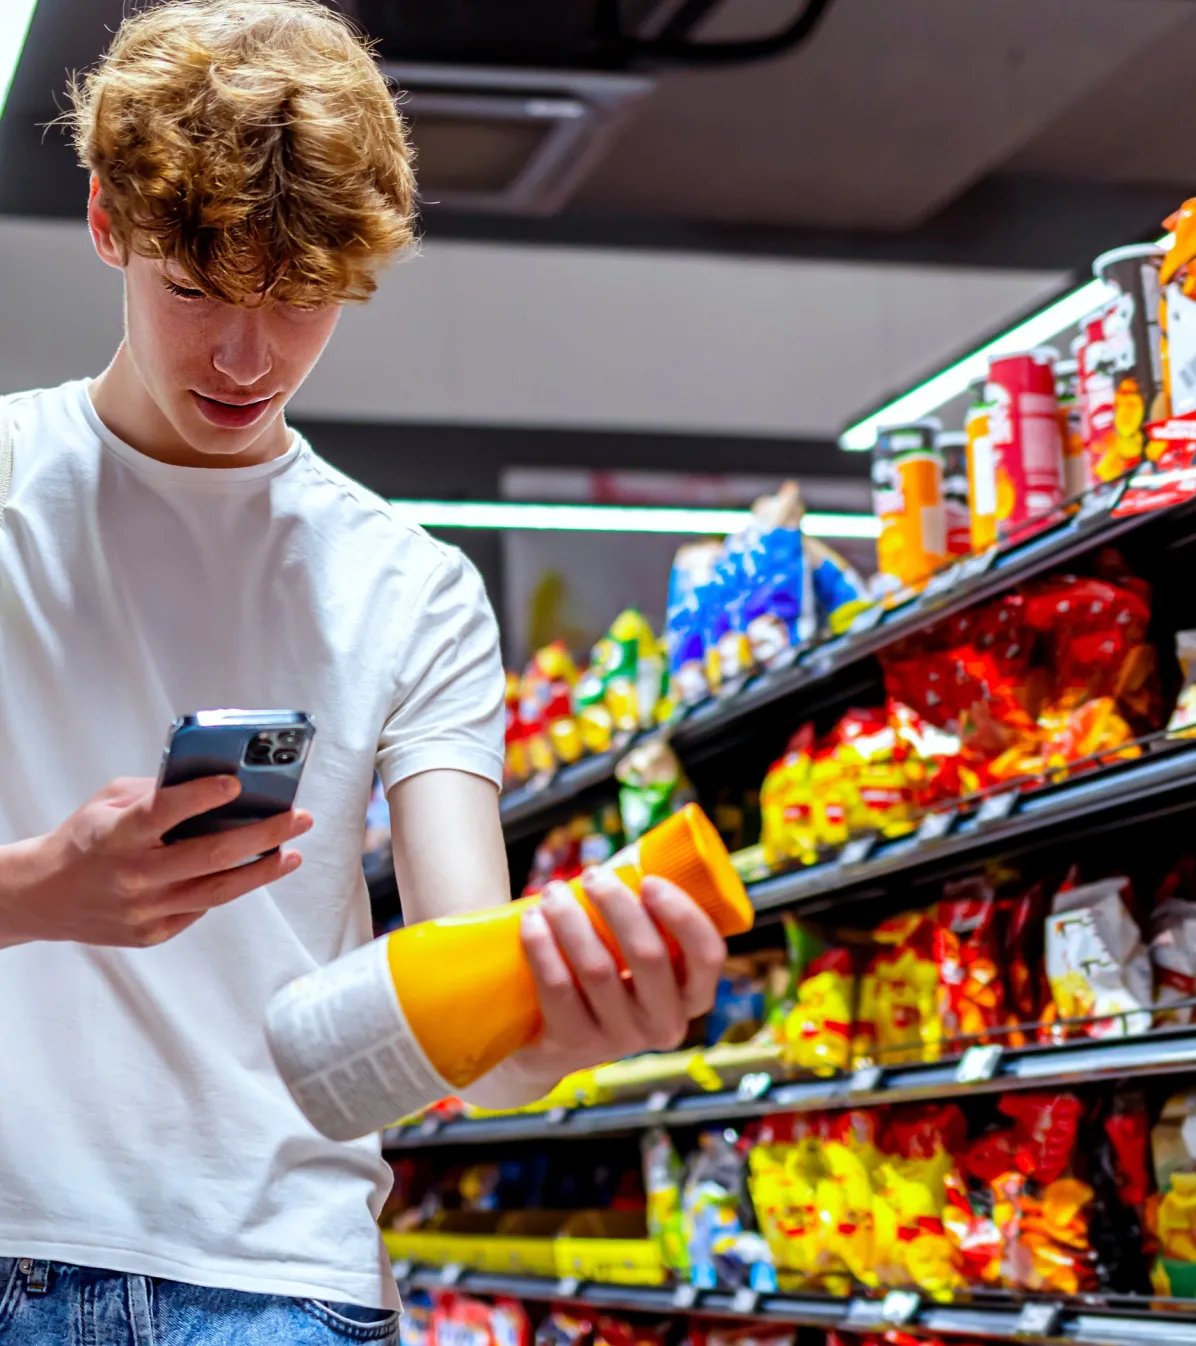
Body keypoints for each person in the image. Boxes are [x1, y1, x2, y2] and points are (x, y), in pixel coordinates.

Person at [0, 2, 729, 1342]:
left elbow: (488, 1031)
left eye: (298, 297)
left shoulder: (413, 585)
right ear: (107, 222)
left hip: (283, 1284)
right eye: (197, 286)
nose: (245, 355)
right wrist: (38, 890)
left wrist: (574, 1020)